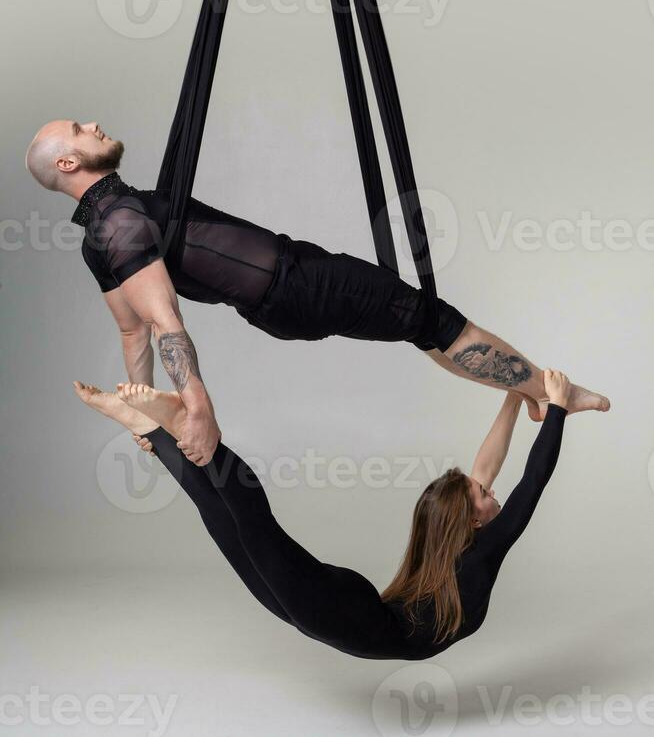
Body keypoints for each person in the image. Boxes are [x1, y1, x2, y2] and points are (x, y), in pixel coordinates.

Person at [26, 119, 610, 464]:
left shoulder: (97, 236)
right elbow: (162, 321)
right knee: (432, 320)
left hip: (282, 294)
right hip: (299, 284)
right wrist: (198, 408)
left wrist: (140, 409)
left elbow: (130, 331)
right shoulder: (123, 220)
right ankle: (555, 391)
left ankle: (530, 391)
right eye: (79, 130)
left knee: (417, 324)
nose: (93, 124)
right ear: (71, 160)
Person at [73, 369, 587, 660]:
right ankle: (185, 425)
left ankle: (153, 429)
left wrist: (517, 400)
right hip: (336, 612)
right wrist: (554, 407)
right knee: (250, 522)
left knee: (226, 521)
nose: (491, 491)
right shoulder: (479, 554)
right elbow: (532, 480)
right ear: (471, 520)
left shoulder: (461, 551)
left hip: (333, 612)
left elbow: (486, 469)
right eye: (484, 494)